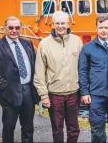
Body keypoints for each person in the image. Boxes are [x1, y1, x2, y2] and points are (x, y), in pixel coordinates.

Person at [34, 11, 83, 143]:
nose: (60, 26)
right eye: (57, 23)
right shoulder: (44, 44)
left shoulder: (77, 41)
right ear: (53, 24)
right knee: (57, 129)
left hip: (74, 93)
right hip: (54, 94)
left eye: (63, 23)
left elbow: (82, 69)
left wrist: (84, 92)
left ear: (68, 23)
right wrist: (43, 96)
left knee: (74, 129)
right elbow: (39, 72)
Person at [0, 16, 38, 143]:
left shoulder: (28, 44)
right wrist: (4, 87)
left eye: (17, 27)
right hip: (9, 94)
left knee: (28, 128)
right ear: (5, 28)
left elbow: (35, 65)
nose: (14, 30)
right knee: (9, 128)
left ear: (20, 28)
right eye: (10, 28)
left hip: (28, 92)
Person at [79, 16, 108, 143]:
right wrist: (84, 92)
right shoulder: (87, 48)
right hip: (95, 95)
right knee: (97, 130)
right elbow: (82, 71)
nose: (103, 30)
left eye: (106, 27)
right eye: (101, 28)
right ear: (96, 29)